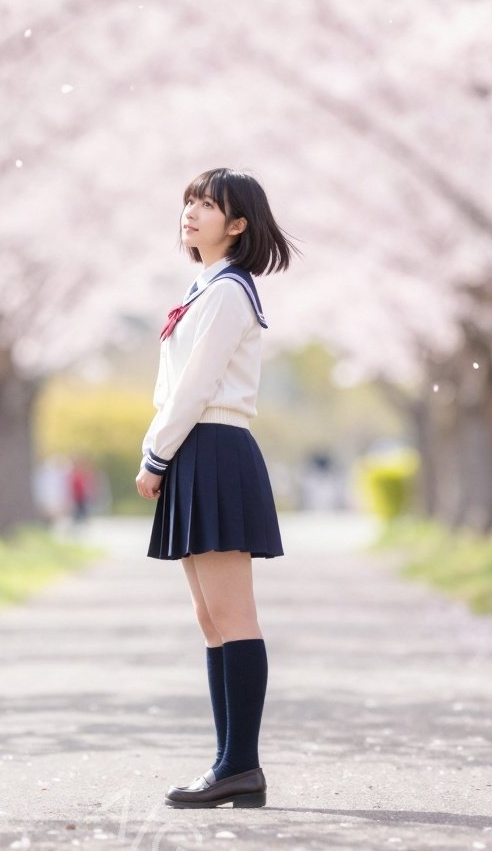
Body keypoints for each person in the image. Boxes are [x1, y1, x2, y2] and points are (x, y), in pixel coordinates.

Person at [136, 168, 298, 811]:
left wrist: (155, 455)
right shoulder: (204, 287)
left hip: (215, 448)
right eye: (190, 201)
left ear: (237, 225)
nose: (192, 212)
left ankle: (240, 765)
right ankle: (230, 761)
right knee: (210, 619)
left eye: (208, 205)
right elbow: (175, 388)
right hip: (196, 450)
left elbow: (197, 386)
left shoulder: (230, 290)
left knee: (232, 615)